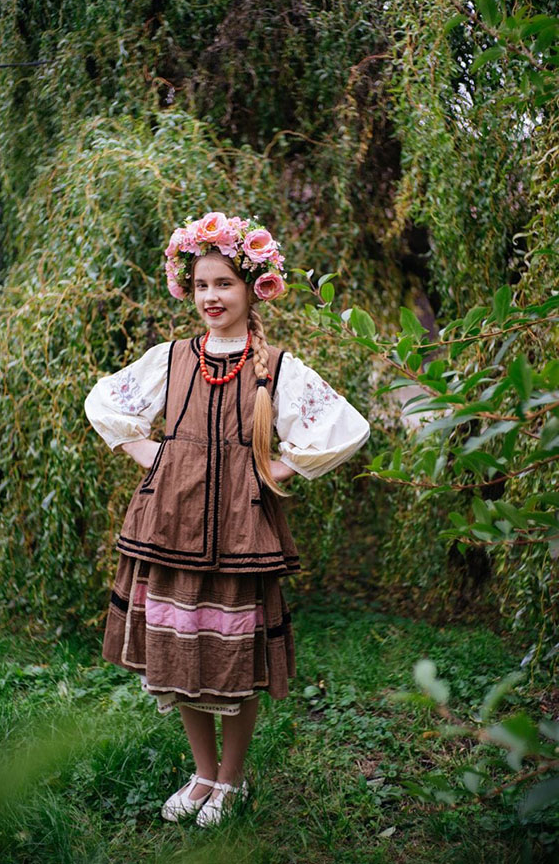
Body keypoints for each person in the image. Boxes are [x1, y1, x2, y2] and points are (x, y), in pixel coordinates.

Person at [84, 211, 370, 827]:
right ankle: (202, 774)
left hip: (241, 533)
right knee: (180, 650)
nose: (211, 297)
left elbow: (343, 427)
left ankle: (231, 781)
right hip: (171, 525)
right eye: (201, 285)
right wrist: (154, 454)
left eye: (224, 284)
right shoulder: (171, 359)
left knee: (232, 657)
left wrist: (275, 470)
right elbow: (105, 402)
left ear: (253, 289)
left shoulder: (277, 368)